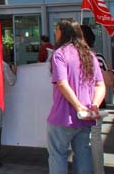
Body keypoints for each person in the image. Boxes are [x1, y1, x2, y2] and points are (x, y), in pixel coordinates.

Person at [47, 20, 105, 174]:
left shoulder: (59, 54)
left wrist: (78, 106)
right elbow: (100, 85)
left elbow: (62, 83)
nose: (55, 33)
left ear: (62, 32)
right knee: (83, 154)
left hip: (63, 117)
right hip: (85, 117)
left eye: (56, 30)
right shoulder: (90, 55)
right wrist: (94, 105)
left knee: (58, 155)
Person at [81, 24, 112, 174]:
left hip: (80, 106)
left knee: (82, 142)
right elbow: (109, 80)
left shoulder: (68, 58)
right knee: (95, 140)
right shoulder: (98, 57)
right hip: (96, 105)